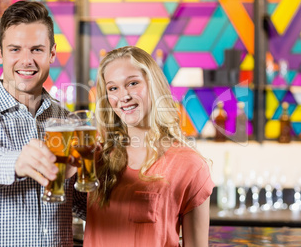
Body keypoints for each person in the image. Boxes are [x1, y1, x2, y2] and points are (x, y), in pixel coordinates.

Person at [0, 1, 86, 246]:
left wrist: (96, 172)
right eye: (15, 49)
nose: (26, 60)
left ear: (52, 53)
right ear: (0, 53)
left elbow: (82, 206)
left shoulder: (68, 122)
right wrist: (16, 162)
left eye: (36, 49)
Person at [84, 46, 214, 246]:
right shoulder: (95, 157)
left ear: (153, 85)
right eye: (113, 88)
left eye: (133, 83)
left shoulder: (190, 165)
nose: (123, 96)